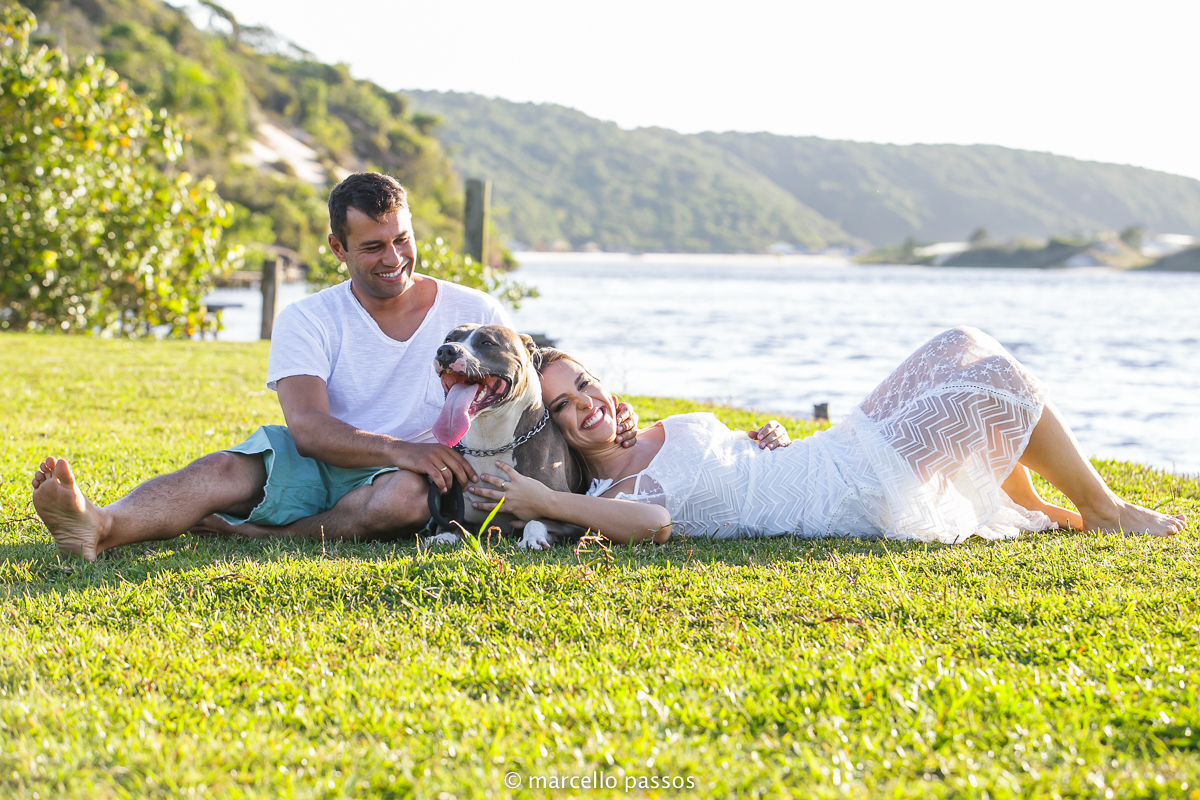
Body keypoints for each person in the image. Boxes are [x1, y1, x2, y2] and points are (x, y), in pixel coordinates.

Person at [29, 172, 638, 561]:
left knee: (401, 502)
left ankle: (265, 539)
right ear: (337, 249)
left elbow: (534, 371)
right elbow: (308, 429)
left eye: (401, 239)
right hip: (330, 458)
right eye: (372, 246)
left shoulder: (471, 309)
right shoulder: (309, 318)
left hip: (408, 481)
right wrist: (403, 449)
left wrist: (607, 410)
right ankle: (99, 525)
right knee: (220, 470)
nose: (393, 258)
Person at [466, 327, 1188, 545]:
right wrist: (543, 498)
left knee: (961, 347)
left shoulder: (649, 435)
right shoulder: (622, 490)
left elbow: (722, 463)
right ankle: (1103, 509)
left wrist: (755, 439)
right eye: (563, 404)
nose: (584, 403)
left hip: (824, 454)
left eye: (585, 383)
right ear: (554, 426)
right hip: (849, 491)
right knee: (986, 383)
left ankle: (1055, 512)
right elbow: (654, 521)